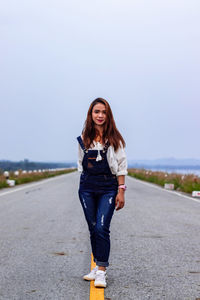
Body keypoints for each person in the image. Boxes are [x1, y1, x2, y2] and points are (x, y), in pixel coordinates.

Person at [77, 98, 127, 288]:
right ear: (91, 114)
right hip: (87, 188)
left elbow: (122, 166)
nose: (100, 115)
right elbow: (80, 165)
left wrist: (121, 191)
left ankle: (101, 272)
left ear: (108, 115)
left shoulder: (115, 139)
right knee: (92, 228)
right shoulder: (83, 139)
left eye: (103, 112)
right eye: (96, 111)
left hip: (108, 187)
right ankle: (96, 265)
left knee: (101, 228)